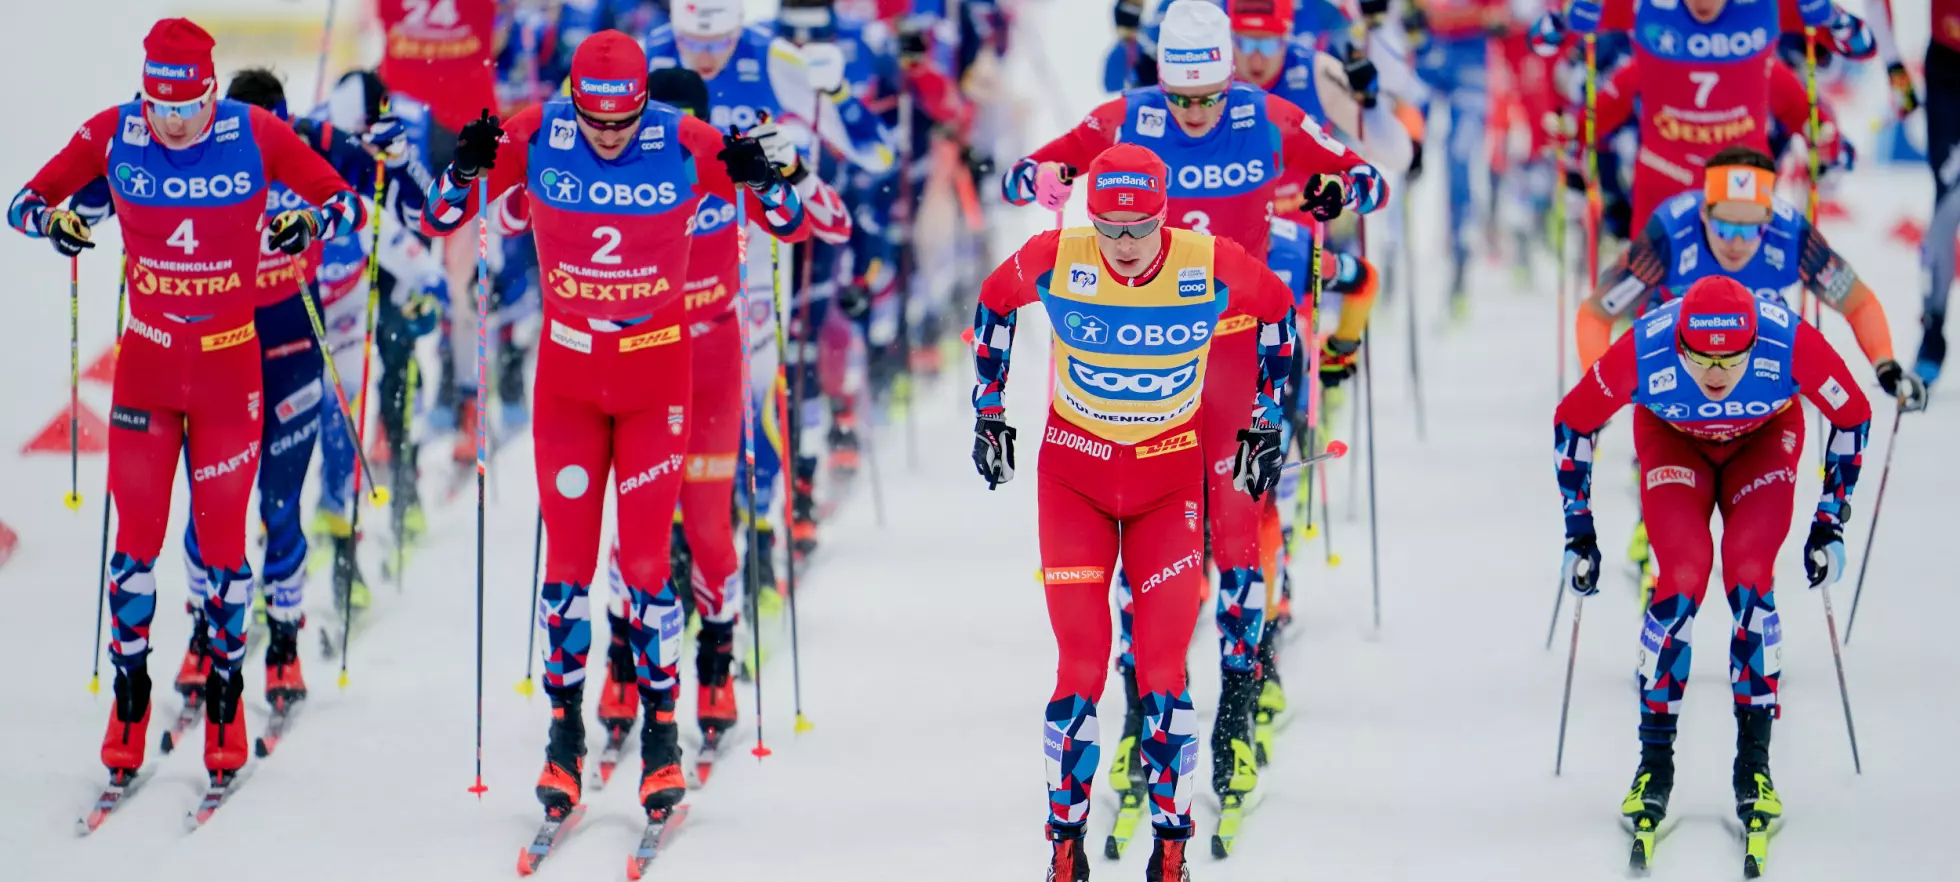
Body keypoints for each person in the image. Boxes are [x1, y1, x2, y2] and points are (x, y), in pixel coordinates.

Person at [417, 29, 811, 826]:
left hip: (656, 379)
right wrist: (461, 169)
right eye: (592, 121)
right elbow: (442, 213)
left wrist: (765, 179)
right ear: (573, 101)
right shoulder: (537, 129)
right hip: (568, 382)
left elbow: (791, 223)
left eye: (621, 121)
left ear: (642, 105)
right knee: (566, 569)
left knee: (645, 562)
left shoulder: (684, 139)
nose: (605, 135)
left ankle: (663, 735)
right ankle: (564, 736)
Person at [1002, 0, 1383, 812]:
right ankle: (1138, 718)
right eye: (1181, 99)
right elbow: (1024, 172)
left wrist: (1336, 188)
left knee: (1238, 536)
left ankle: (1235, 719)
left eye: (1208, 98)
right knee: (1142, 551)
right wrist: (1044, 178)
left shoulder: (1267, 115)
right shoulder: (1128, 118)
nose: (1196, 114)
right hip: (1147, 366)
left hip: (1237, 355)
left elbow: (1369, 178)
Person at [8, 18, 365, 787]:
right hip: (147, 372)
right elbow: (23, 202)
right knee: (134, 548)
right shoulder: (115, 132)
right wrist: (54, 223)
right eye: (159, 107)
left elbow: (347, 203)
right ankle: (129, 697)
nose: (172, 123)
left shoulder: (255, 133)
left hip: (229, 374)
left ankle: (228, 699)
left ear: (211, 92)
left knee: (226, 553)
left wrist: (310, 221)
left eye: (187, 107)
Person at [972, 142, 1298, 882]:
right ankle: (1065, 849)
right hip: (1074, 484)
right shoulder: (1058, 255)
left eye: (1140, 227)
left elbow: (1279, 315)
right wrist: (989, 411)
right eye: (1109, 227)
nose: (1123, 244)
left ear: (1163, 216)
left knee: (1163, 675)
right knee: (1080, 669)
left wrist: (1265, 421)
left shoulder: (1206, 261)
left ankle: (1171, 852)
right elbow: (993, 302)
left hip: (1167, 488)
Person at [1552, 275, 1870, 853]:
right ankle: (1653, 767)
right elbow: (1573, 420)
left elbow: (1854, 414)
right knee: (1680, 578)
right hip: (1673, 441)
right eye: (1700, 359)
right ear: (1678, 343)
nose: (1717, 375)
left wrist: (1830, 519)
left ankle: (1755, 768)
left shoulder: (1788, 339)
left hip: (1764, 442)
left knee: (1749, 576)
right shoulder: (1646, 345)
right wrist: (1580, 531)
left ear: (1755, 343)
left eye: (1732, 359)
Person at [594, 67, 855, 768]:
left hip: (713, 361)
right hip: (643, 358)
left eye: (685, 129)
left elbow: (830, 226)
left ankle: (715, 668)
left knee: (709, 524)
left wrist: (788, 168)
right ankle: (622, 664)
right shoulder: (616, 173)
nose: (668, 141)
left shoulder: (730, 164)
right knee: (637, 529)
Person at [646, 0, 895, 561]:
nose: (705, 58)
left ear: (739, 26)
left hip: (749, 252)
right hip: (663, 256)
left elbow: (878, 155)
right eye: (692, 43)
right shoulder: (643, 57)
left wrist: (836, 96)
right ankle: (676, 530)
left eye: (719, 43)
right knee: (669, 403)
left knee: (754, 391)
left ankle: (763, 521)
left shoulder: (774, 57)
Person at [1583, 146, 1929, 410]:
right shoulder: (1671, 233)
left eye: (1751, 230)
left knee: (1780, 326)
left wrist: (1884, 362)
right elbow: (1595, 313)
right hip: (1680, 350)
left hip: (1754, 350)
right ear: (1704, 214)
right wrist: (1596, 388)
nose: (1736, 241)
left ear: (1768, 219)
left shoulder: (1791, 236)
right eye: (1724, 227)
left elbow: (1858, 302)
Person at [1531, 0, 1867, 235]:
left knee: (1743, 304)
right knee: (1661, 305)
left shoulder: (1765, 6)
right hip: (1664, 183)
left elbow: (1862, 45)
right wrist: (1565, 19)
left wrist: (1832, 16)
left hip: (1741, 185)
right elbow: (1540, 39)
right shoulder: (1646, 6)